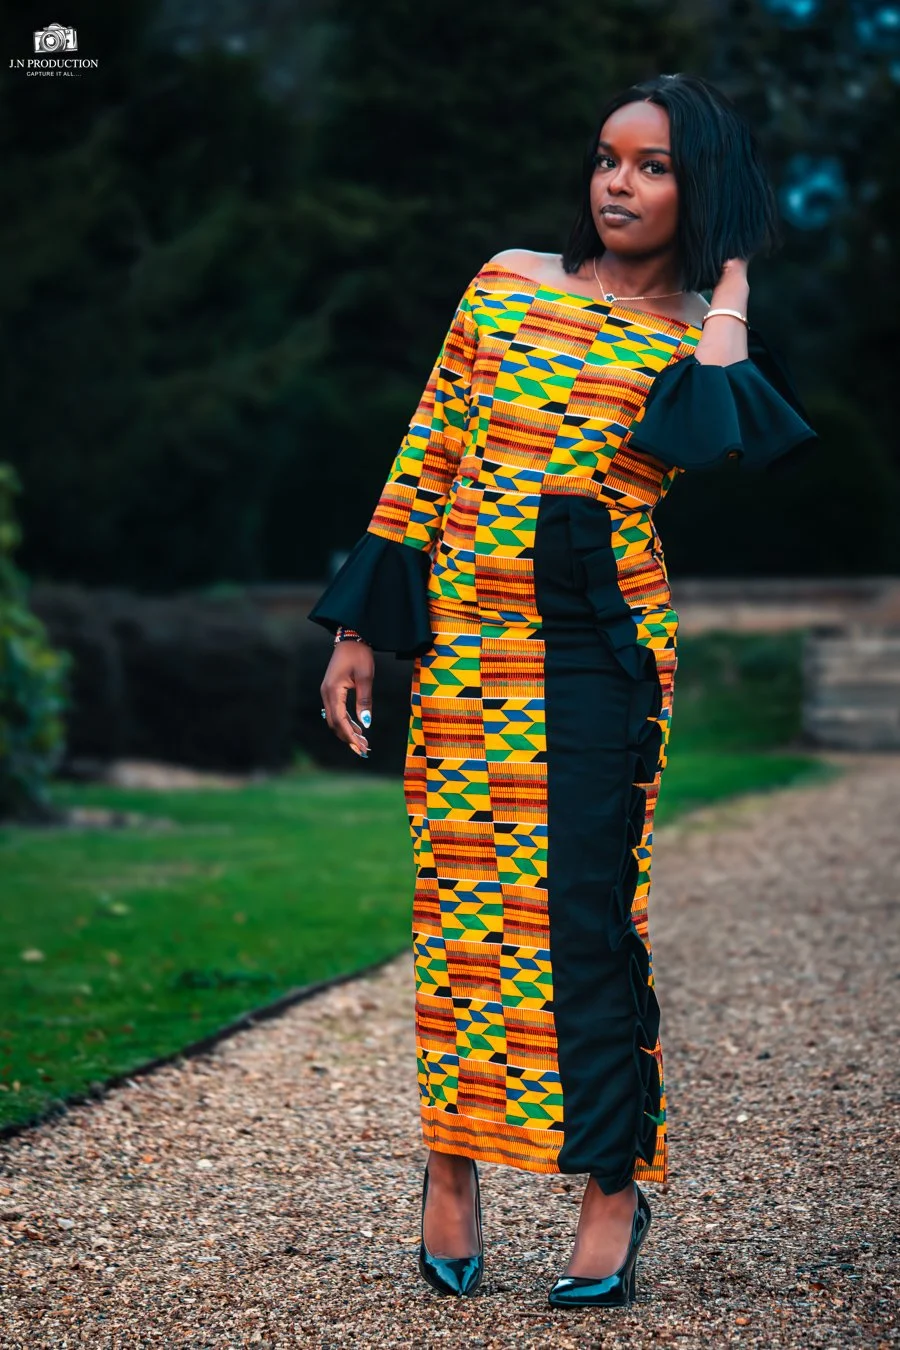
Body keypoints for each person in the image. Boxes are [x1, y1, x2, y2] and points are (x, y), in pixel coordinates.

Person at [310, 71, 817, 1308]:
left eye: (652, 166)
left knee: (587, 925)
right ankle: (453, 1168)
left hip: (599, 655)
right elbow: (426, 453)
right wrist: (361, 631)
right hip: (466, 651)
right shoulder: (507, 282)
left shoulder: (701, 336)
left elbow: (704, 436)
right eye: (606, 158)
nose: (618, 184)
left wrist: (735, 283)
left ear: (700, 189)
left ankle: (607, 1187)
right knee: (465, 920)